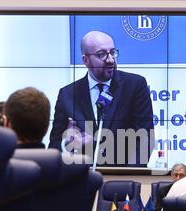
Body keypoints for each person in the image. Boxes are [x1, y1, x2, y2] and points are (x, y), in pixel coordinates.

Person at [48, 30, 154, 167]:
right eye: (102, 54)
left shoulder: (134, 85)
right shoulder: (67, 94)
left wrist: (127, 176)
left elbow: (145, 138)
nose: (110, 60)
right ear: (85, 60)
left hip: (122, 181)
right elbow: (55, 145)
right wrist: (67, 144)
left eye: (113, 52)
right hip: (80, 179)